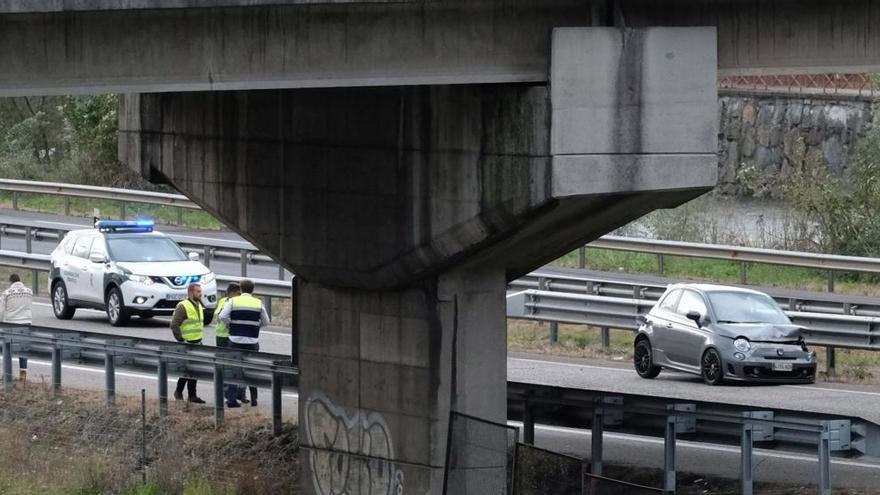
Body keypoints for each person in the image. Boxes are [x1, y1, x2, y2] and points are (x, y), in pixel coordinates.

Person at [219, 278, 269, 407]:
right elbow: (266, 322)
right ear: (253, 290)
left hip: (235, 340)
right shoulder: (258, 303)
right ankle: (254, 399)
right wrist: (255, 326)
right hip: (252, 341)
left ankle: (231, 400)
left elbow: (222, 316)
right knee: (252, 368)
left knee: (233, 368)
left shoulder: (233, 301)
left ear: (240, 289)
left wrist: (231, 325)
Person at [169, 283, 206, 404]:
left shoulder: (199, 305)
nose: (200, 294)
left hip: (197, 343)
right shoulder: (183, 306)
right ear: (191, 292)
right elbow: (174, 324)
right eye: (198, 292)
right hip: (187, 344)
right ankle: (178, 392)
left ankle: (192, 395)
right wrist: (181, 340)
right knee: (186, 371)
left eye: (200, 291)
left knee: (194, 371)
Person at [214, 282, 240, 348]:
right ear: (232, 293)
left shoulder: (236, 302)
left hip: (230, 335)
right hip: (220, 335)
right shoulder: (222, 301)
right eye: (238, 293)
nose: (240, 296)